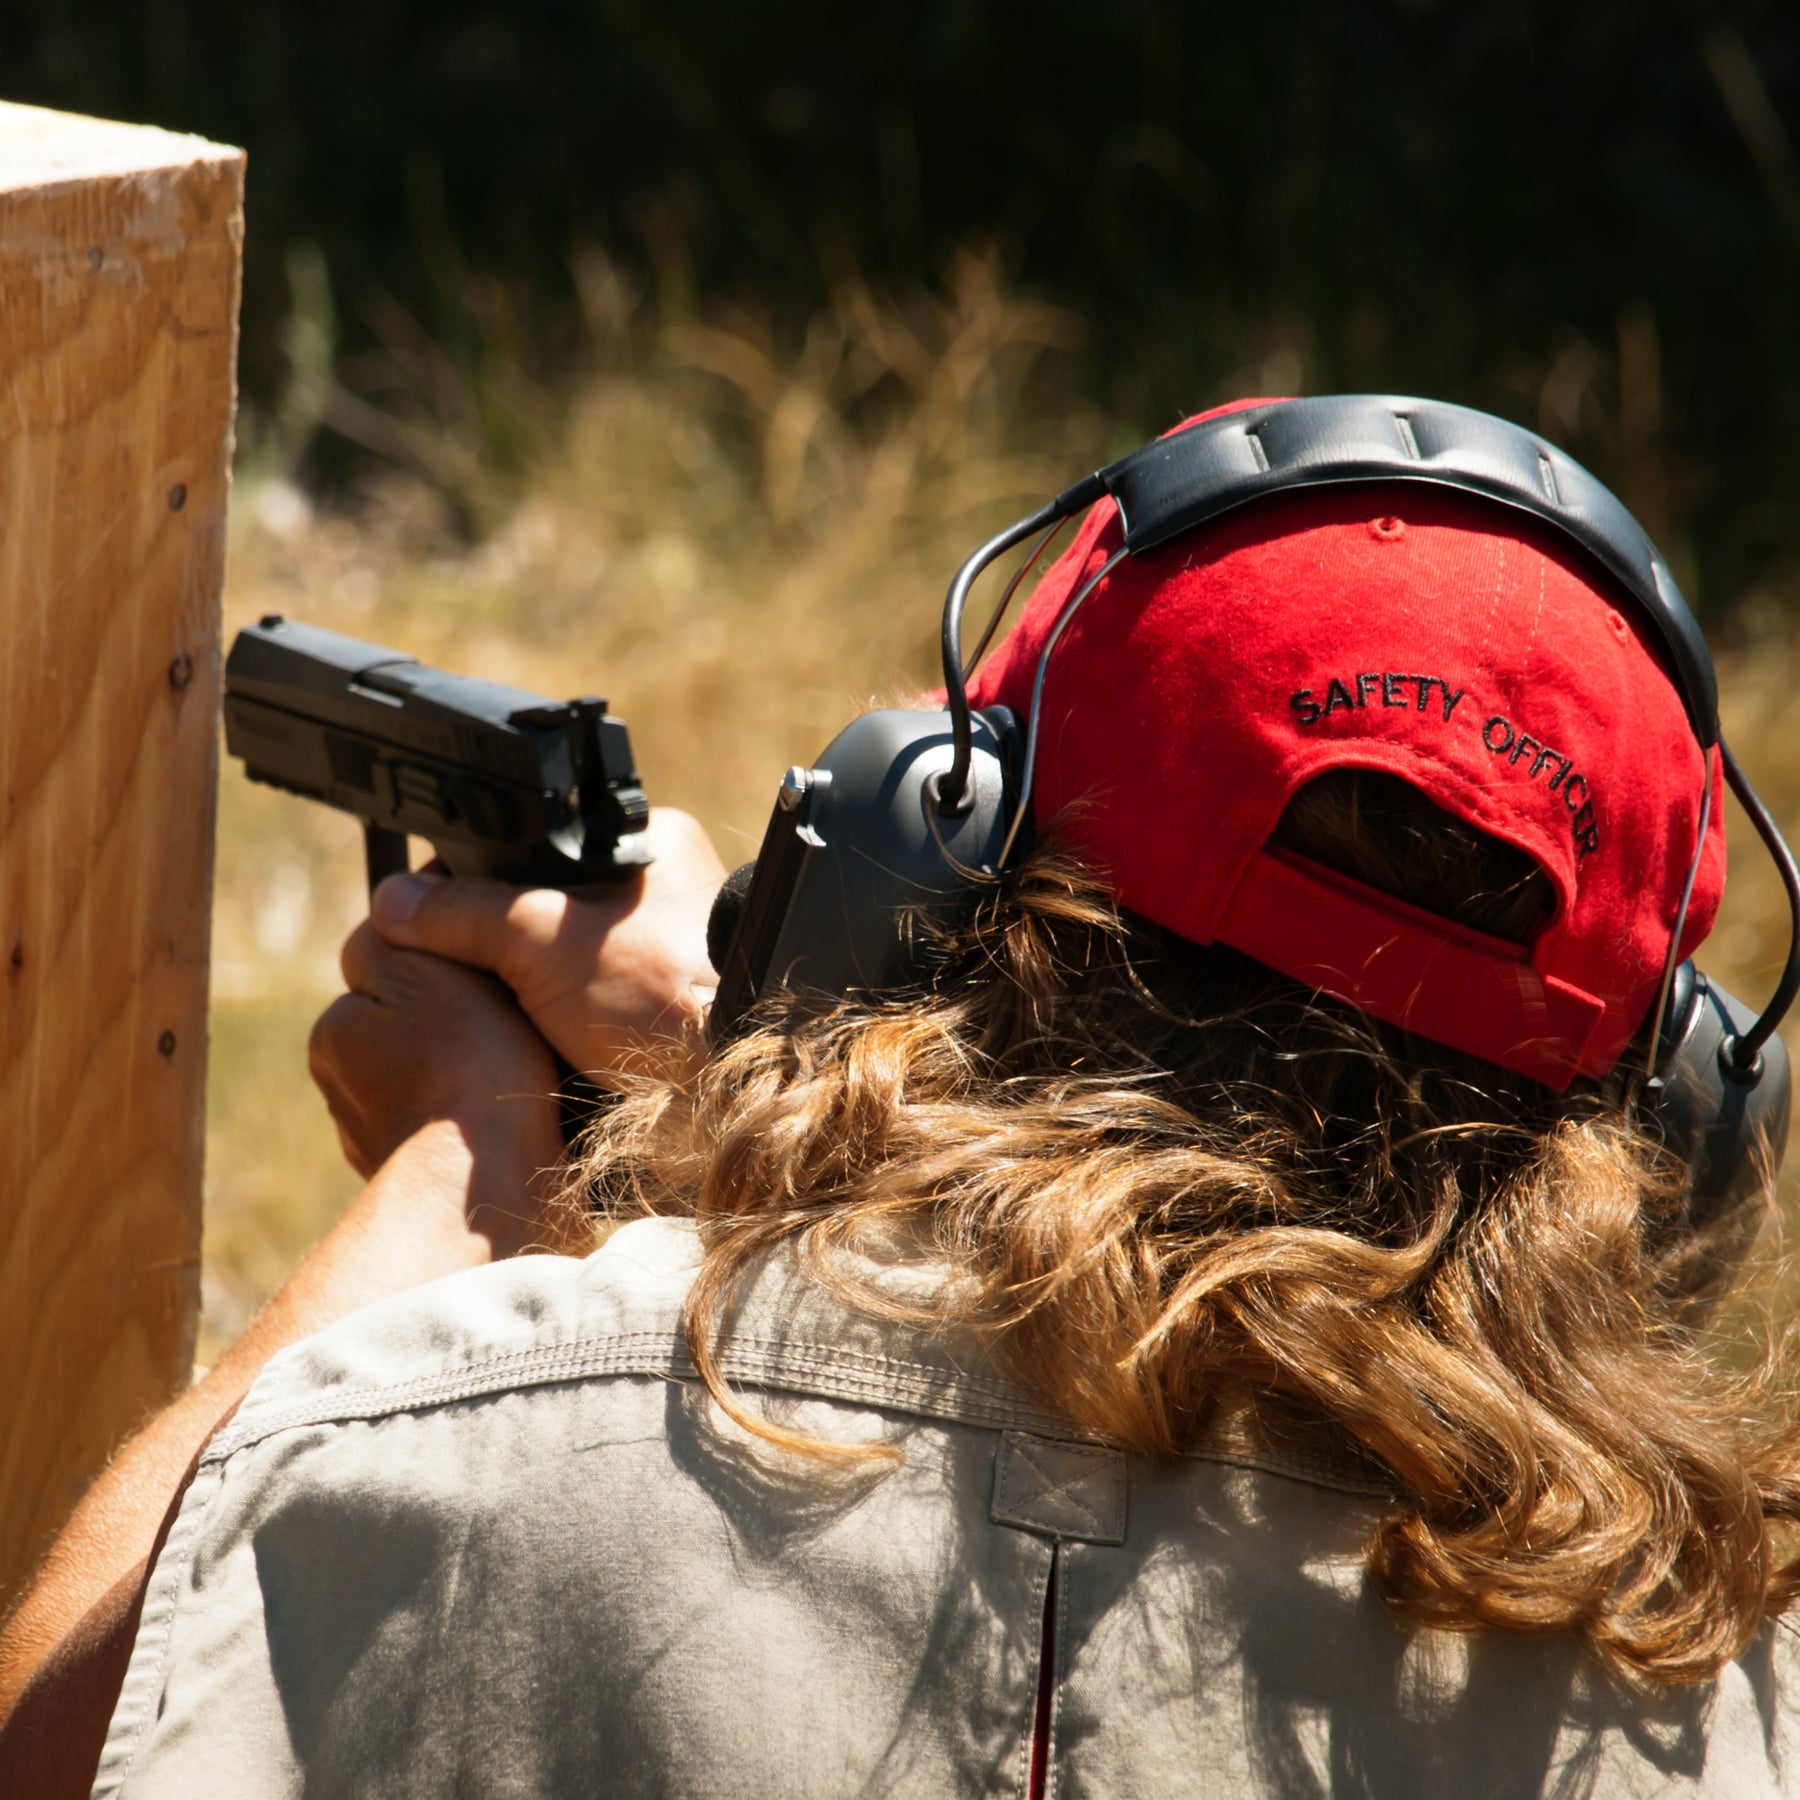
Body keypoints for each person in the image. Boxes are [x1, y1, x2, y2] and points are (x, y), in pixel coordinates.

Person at [5, 395, 1800, 1797]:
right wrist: (719, 1078)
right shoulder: (1716, 1693)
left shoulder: (445, 1461)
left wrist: (465, 1163)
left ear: (915, 865)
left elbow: (59, 1745)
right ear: (1674, 1123)